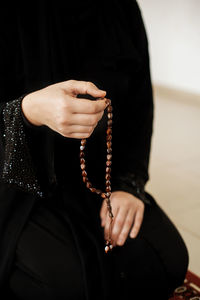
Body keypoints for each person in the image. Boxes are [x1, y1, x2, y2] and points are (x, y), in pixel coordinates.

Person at [0, 1, 189, 299]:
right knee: (67, 285)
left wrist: (128, 185)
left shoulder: (120, 8)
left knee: (167, 258)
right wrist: (27, 111)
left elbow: (139, 107)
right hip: (18, 184)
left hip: (100, 177)